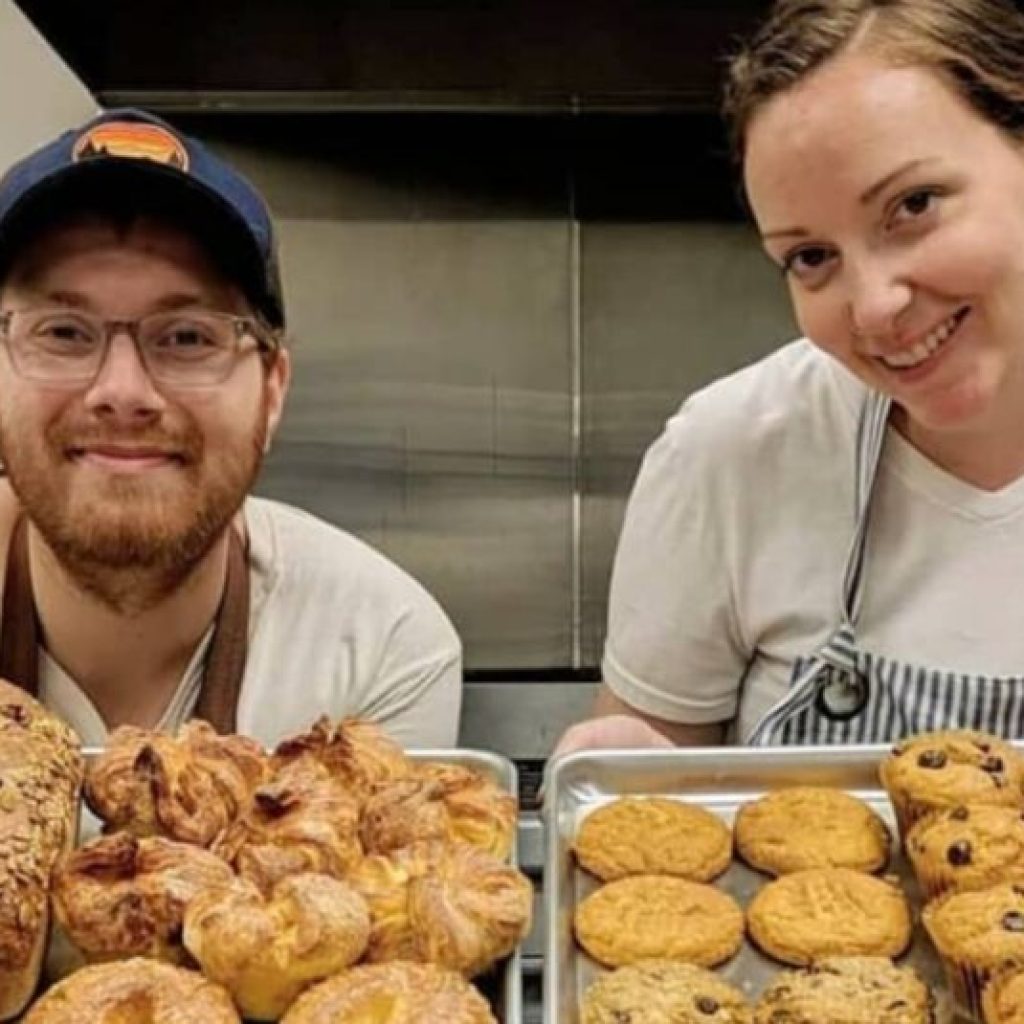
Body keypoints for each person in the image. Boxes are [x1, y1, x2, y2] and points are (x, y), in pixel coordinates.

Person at [554, 0, 1024, 756]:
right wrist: (618, 775)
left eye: (914, 205)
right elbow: (651, 805)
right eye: (811, 257)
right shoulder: (730, 454)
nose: (875, 309)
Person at [0, 108, 461, 749]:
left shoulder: (374, 643)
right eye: (63, 334)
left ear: (272, 390)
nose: (123, 393)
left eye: (188, 337)